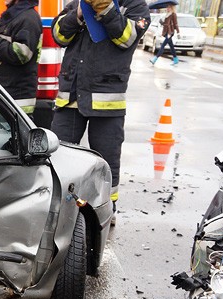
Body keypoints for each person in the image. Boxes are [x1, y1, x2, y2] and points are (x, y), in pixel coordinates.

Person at [50, 0, 150, 214]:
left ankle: (106, 209)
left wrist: (106, 11)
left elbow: (128, 39)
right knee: (57, 155)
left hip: (107, 100)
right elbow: (58, 35)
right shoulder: (78, 3)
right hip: (71, 98)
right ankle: (54, 205)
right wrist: (77, 13)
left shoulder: (135, 6)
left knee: (107, 160)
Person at [0, 0, 42, 115]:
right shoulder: (14, 16)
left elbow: (21, 54)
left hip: (17, 101)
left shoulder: (28, 18)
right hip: (6, 95)